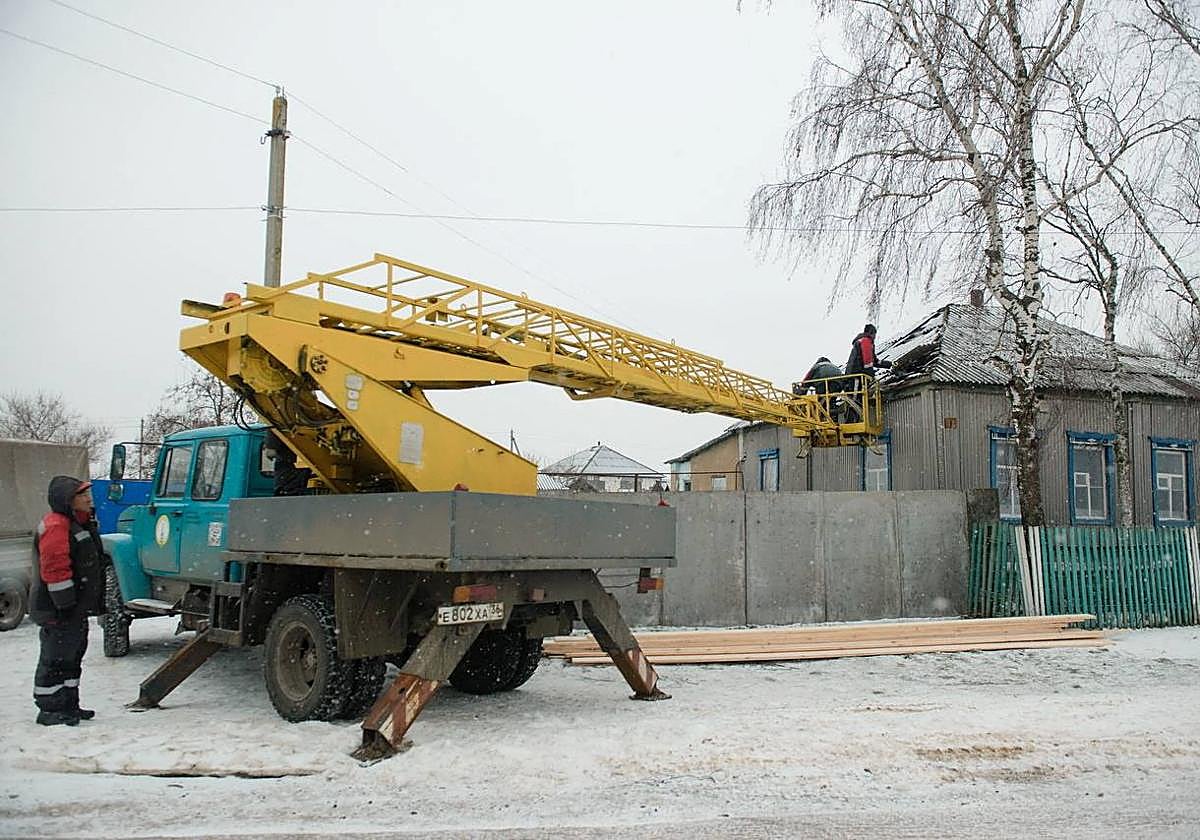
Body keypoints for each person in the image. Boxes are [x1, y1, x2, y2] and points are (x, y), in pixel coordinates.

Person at [30, 476, 105, 726]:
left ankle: (69, 704)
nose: (88, 498)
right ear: (68, 500)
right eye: (82, 495)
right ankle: (49, 710)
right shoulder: (56, 525)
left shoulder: (78, 523)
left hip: (74, 609)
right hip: (58, 610)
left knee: (71, 658)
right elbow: (55, 569)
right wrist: (64, 605)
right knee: (55, 659)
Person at [844, 324, 892, 422]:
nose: (875, 337)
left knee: (857, 398)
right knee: (854, 399)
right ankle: (851, 422)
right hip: (856, 375)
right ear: (871, 333)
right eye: (875, 334)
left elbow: (874, 361)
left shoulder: (864, 342)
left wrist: (889, 364)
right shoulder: (866, 341)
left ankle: (855, 420)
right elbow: (867, 363)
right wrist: (872, 377)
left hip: (856, 374)